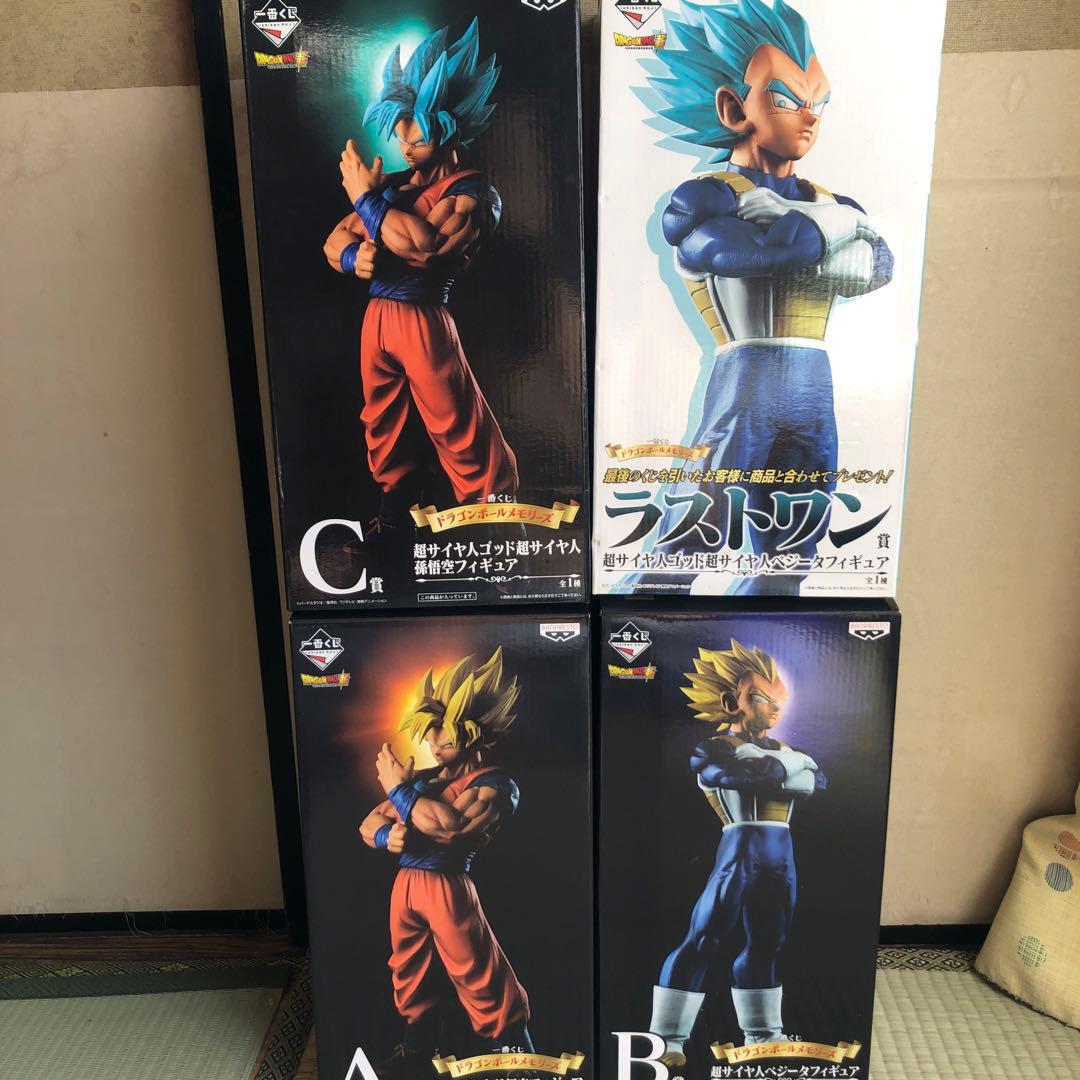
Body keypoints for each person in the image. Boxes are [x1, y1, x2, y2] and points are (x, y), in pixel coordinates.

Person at [632, 0, 893, 594]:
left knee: (794, 549)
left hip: (813, 384)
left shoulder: (832, 201)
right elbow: (756, 255)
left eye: (818, 103)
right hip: (746, 378)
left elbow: (878, 268)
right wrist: (836, 229)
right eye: (786, 99)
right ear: (733, 108)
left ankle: (770, 632)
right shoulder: (704, 197)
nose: (809, 118)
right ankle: (643, 633)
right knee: (695, 530)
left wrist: (813, 221)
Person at [324, 20, 518, 537]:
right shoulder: (394, 185)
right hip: (379, 317)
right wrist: (354, 258)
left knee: (454, 422)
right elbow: (334, 241)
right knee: (380, 421)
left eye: (417, 132)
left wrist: (365, 200)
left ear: (449, 128)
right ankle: (393, 521)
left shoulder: (472, 193)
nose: (405, 143)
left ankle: (495, 523)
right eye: (401, 130)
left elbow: (423, 246)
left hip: (422, 315)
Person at [649, 639, 826, 1063]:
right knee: (703, 937)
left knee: (767, 944)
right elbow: (738, 777)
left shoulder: (781, 751)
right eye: (763, 698)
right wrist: (794, 765)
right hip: (739, 851)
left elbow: (816, 784)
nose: (776, 708)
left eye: (780, 699)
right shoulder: (713, 748)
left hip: (781, 855)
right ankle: (666, 1039)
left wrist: (777, 766)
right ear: (733, 703)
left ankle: (763, 1034)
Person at [360, 648, 531, 1066]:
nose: (436, 746)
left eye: (446, 738)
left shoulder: (493, 784)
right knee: (407, 970)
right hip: (406, 884)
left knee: (476, 970)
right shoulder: (423, 780)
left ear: (475, 735)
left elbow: (450, 829)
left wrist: (398, 790)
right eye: (432, 736)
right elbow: (367, 823)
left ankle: (514, 1053)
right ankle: (419, 1050)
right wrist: (385, 836)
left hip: (446, 883)